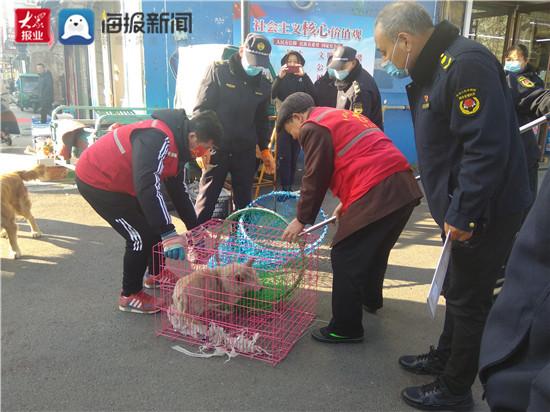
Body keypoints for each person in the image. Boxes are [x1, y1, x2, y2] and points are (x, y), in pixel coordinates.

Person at [374, 3, 531, 410]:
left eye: (385, 50)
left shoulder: (464, 65)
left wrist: (463, 212)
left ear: (405, 40)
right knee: (456, 287)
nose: (385, 60)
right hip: (463, 202)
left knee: (469, 297)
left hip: (485, 208)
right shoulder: (437, 68)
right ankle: (445, 358)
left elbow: (486, 149)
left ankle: (456, 388)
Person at [279, 92, 423, 342]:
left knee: (345, 253)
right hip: (402, 185)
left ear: (297, 117)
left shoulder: (313, 126)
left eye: (292, 132)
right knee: (374, 248)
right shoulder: (337, 116)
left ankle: (345, 328)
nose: (295, 138)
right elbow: (360, 155)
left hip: (379, 189)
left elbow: (315, 175)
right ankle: (370, 299)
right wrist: (346, 203)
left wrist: (301, 219)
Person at [75, 109, 222, 314]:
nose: (205, 154)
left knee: (154, 225)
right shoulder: (158, 137)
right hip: (98, 180)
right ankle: (130, 294)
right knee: (139, 236)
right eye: (205, 148)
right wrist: (168, 233)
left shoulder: (179, 147)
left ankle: (156, 273)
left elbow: (177, 191)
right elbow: (148, 185)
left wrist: (195, 231)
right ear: (193, 136)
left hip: (126, 183)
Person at [193, 33, 275, 224]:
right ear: (241, 51)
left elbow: (262, 120)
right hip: (216, 148)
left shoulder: (264, 84)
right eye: (252, 61)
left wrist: (264, 149)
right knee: (207, 199)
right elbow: (201, 110)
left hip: (244, 151)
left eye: (260, 64)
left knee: (244, 202)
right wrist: (200, 145)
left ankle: (241, 244)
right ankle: (195, 243)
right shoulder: (218, 71)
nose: (255, 67)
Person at [504, 44, 545, 200]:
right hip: (506, 144)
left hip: (525, 143)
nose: (511, 62)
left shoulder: (530, 82)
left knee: (525, 196)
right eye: (509, 59)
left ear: (525, 60)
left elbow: (536, 99)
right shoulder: (500, 77)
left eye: (516, 59)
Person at [272, 51, 315, 191]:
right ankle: (285, 187)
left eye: (294, 61)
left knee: (294, 154)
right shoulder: (281, 78)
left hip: (300, 123)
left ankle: (290, 186)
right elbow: (271, 94)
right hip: (284, 122)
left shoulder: (302, 78)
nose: (292, 64)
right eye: (289, 61)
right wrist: (279, 78)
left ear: (300, 63)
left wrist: (304, 76)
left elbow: (314, 95)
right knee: (284, 155)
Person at [329, 46, 383, 129]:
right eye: (336, 68)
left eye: (341, 67)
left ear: (353, 63)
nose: (338, 71)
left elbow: (358, 126)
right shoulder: (346, 78)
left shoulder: (361, 90)